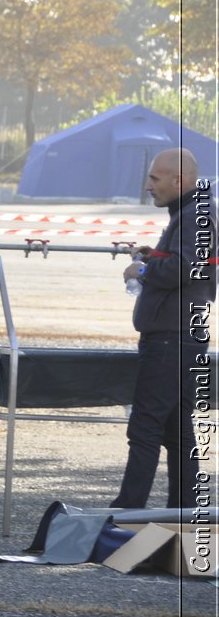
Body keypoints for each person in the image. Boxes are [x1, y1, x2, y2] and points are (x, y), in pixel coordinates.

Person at [109, 147, 214, 510]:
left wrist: (141, 270)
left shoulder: (195, 214)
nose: (148, 185)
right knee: (177, 430)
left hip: (172, 338)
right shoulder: (192, 213)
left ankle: (128, 510)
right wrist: (156, 256)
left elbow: (185, 269)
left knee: (145, 427)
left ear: (178, 180)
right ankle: (183, 510)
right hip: (183, 335)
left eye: (154, 178)